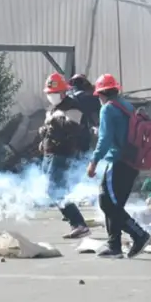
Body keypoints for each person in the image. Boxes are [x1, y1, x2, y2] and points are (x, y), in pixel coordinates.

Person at [86, 73, 151, 258]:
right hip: (132, 161)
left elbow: (105, 140)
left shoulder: (107, 109)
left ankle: (139, 235)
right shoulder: (126, 106)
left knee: (106, 202)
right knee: (114, 205)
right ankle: (114, 246)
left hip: (118, 162)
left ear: (101, 93)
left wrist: (94, 161)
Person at [39, 72, 99, 239]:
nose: (51, 96)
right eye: (49, 93)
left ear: (63, 92)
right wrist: (44, 135)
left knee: (55, 190)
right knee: (53, 190)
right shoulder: (52, 109)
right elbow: (48, 129)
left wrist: (54, 123)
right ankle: (73, 219)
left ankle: (78, 224)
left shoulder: (72, 106)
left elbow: (72, 128)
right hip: (49, 153)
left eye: (54, 93)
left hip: (62, 154)